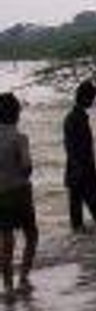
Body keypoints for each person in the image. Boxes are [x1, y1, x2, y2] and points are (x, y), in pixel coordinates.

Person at [0, 93, 37, 294]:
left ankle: (7, 286)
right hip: (20, 192)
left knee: (6, 241)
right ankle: (23, 278)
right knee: (31, 234)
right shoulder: (20, 138)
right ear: (16, 114)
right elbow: (26, 168)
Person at [64, 80, 96, 231]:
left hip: (74, 171)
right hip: (84, 171)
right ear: (85, 98)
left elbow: (70, 149)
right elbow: (81, 150)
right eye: (92, 98)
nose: (93, 102)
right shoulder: (78, 118)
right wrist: (85, 171)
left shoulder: (72, 117)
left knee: (76, 218)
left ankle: (79, 249)